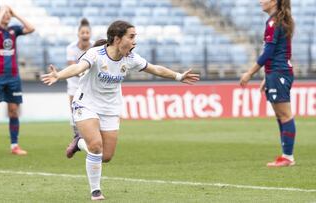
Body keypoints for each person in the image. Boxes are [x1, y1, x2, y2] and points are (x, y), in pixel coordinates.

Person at [41, 20, 199, 200]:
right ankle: (96, 191)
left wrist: (178, 76)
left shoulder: (130, 58)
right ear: (117, 39)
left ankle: (78, 143)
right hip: (87, 104)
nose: (134, 42)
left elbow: (155, 69)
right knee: (95, 145)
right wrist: (59, 75)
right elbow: (79, 67)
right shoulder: (96, 54)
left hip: (110, 108)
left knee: (106, 156)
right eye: (131, 37)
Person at [240, 0, 296, 167]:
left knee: (285, 115)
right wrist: (267, 76)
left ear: (274, 2)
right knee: (281, 115)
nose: (260, 1)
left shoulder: (274, 22)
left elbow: (269, 52)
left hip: (279, 72)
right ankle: (286, 156)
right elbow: (279, 51)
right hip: (276, 72)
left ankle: (288, 157)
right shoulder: (279, 20)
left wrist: (250, 73)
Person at [0, 5, 35, 156]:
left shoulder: (14, 30)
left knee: (13, 111)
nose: (7, 15)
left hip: (13, 76)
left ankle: (14, 146)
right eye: (4, 14)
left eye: (8, 14)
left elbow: (31, 28)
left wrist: (15, 13)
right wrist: (2, 10)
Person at [65, 18, 93, 153]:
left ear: (90, 34)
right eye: (83, 32)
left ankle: (89, 135)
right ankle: (76, 137)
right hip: (74, 83)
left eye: (87, 32)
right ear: (78, 34)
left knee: (91, 108)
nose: (85, 35)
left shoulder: (94, 47)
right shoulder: (71, 48)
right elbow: (72, 67)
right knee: (74, 110)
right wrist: (83, 72)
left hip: (89, 84)